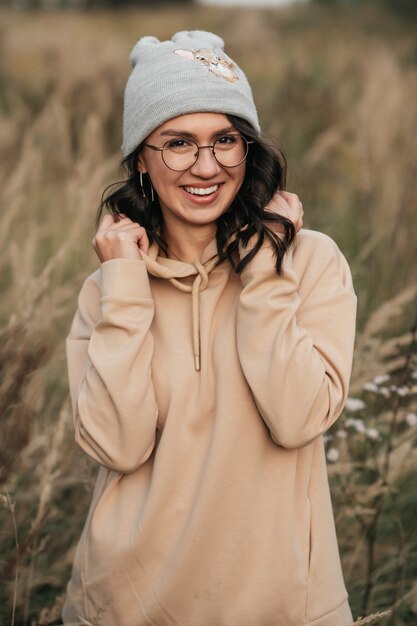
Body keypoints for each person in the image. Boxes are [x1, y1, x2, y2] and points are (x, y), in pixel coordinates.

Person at [62, 30, 357, 626]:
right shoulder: (109, 289)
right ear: (141, 160)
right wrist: (124, 289)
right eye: (177, 143)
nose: (206, 166)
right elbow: (119, 446)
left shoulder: (311, 262)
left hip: (282, 607)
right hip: (126, 607)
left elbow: (299, 418)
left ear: (247, 150)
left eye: (226, 140)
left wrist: (269, 270)